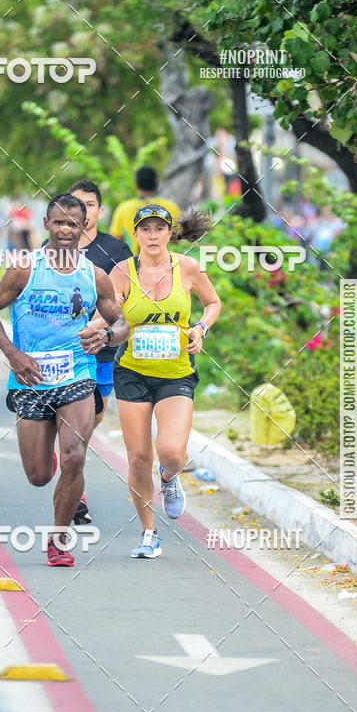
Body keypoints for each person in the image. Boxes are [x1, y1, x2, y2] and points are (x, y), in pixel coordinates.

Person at [0, 194, 129, 567]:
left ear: (83, 228)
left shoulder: (94, 277)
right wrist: (12, 353)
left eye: (72, 224)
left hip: (77, 375)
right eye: (58, 222)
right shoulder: (25, 269)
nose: (65, 229)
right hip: (31, 379)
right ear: (46, 225)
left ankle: (59, 539)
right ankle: (62, 486)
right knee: (39, 475)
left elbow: (121, 323)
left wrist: (107, 338)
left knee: (74, 456)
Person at [93, 202, 221, 559]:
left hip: (176, 372)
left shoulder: (188, 268)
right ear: (135, 234)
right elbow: (108, 315)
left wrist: (201, 327)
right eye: (145, 229)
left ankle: (169, 478)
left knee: (171, 453)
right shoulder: (121, 271)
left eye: (159, 229)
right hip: (132, 372)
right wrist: (93, 330)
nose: (152, 235)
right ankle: (149, 532)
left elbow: (213, 303)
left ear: (169, 233)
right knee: (138, 458)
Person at [69, 179, 131, 425]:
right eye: (77, 204)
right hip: (62, 348)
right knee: (62, 416)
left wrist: (93, 328)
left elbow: (123, 298)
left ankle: (71, 459)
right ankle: (56, 458)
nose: (84, 210)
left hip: (101, 350)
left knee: (92, 419)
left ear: (100, 211)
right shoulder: (51, 247)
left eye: (90, 204)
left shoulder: (117, 250)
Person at [109, 166, 181, 254]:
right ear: (156, 184)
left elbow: (115, 242)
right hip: (167, 264)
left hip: (133, 264)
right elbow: (179, 241)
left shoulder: (124, 208)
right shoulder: (171, 207)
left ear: (136, 185)